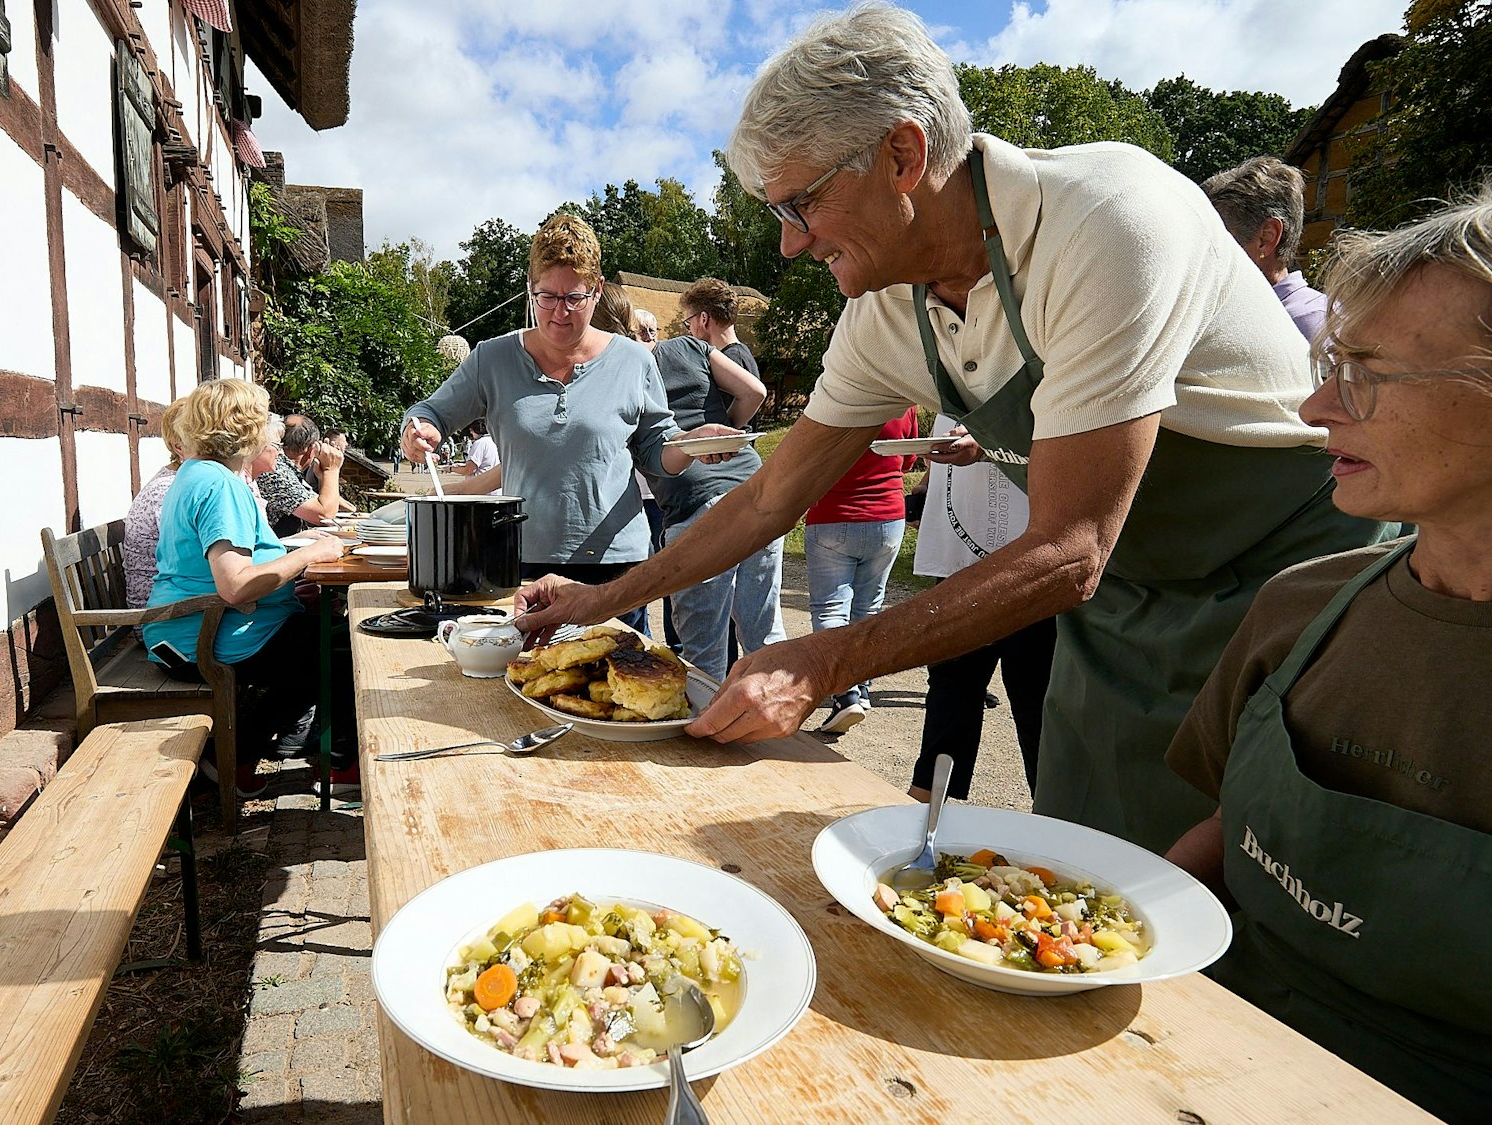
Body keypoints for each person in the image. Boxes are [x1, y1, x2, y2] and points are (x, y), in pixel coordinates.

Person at [514, 3, 1391, 855]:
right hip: (1126, 597)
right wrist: (600, 600)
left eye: (798, 206)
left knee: (1266, 890)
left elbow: (1073, 544)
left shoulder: (1108, 222)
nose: (787, 246)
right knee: (1087, 873)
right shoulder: (884, 313)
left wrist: (827, 658)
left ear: (903, 153)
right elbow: (767, 501)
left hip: (1283, 582)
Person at [1163, 168, 1492, 1122]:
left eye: (1368, 372)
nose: (1316, 410)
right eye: (1330, 364)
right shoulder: (1301, 607)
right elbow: (1235, 841)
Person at [399, 213, 741, 635]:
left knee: (619, 689)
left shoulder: (634, 361)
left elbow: (655, 451)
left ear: (597, 291)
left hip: (615, 567)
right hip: (522, 561)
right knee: (522, 687)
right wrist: (418, 429)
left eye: (574, 298)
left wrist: (690, 444)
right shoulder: (493, 358)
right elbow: (430, 412)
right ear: (530, 290)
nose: (559, 312)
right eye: (547, 297)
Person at [142, 380, 350, 796]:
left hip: (196, 627)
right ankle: (335, 770)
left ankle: (234, 759)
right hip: (201, 637)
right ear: (246, 430)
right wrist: (310, 556)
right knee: (344, 655)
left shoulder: (196, 473)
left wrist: (289, 571)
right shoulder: (220, 486)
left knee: (328, 641)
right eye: (264, 421)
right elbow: (235, 586)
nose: (271, 430)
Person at [592, 286, 783, 680]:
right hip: (754, 488)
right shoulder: (688, 347)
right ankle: (780, 726)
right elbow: (755, 391)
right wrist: (724, 432)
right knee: (764, 630)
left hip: (695, 506)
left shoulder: (614, 377)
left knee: (703, 654)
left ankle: (708, 737)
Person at [908, 415, 1054, 797]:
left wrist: (988, 446)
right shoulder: (947, 368)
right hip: (961, 557)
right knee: (951, 683)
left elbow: (1070, 437)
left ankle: (1058, 820)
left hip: (1032, 561)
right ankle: (930, 810)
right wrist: (929, 489)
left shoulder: (1040, 361)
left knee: (1035, 695)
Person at [803, 407, 919, 734]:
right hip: (887, 518)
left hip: (834, 512)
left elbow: (808, 455)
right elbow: (907, 459)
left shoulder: (837, 394)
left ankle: (845, 693)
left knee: (830, 608)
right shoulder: (905, 400)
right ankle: (861, 686)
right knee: (868, 608)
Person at [1204, 155, 1327, 340]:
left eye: (1218, 241)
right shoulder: (1235, 312)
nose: (1205, 254)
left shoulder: (1311, 322)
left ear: (1266, 238)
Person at [124, 407, 188, 611]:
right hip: (156, 616)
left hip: (176, 603)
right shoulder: (167, 489)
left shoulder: (178, 480)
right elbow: (191, 557)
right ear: (179, 447)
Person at [253, 413, 344, 538]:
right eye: (276, 445)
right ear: (312, 449)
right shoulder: (274, 472)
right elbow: (325, 515)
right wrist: (331, 469)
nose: (279, 451)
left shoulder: (285, 470)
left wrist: (323, 477)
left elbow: (321, 506)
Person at [679, 277, 762, 380]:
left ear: (703, 319)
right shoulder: (739, 356)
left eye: (689, 322)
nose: (689, 330)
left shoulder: (731, 361)